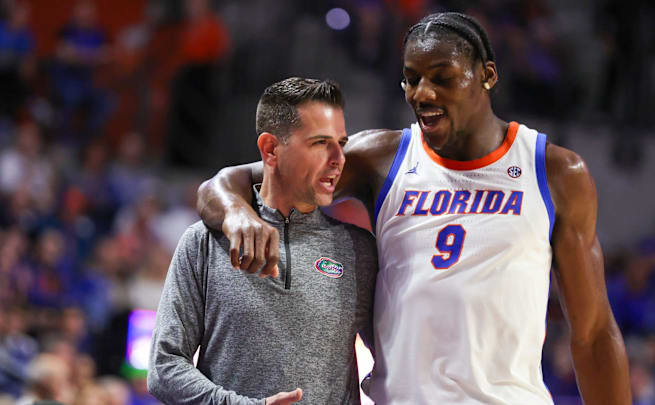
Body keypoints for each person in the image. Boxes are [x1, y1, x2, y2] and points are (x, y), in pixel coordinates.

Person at [196, 12, 632, 405]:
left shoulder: (554, 171)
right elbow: (225, 183)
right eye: (411, 78)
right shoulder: (381, 157)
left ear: (487, 76)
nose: (422, 92)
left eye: (442, 77)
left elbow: (593, 335)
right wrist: (237, 213)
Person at [148, 77, 377, 404]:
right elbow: (164, 366)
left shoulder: (359, 250)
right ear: (270, 149)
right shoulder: (203, 242)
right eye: (320, 143)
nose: (339, 158)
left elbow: (392, 360)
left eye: (341, 142)